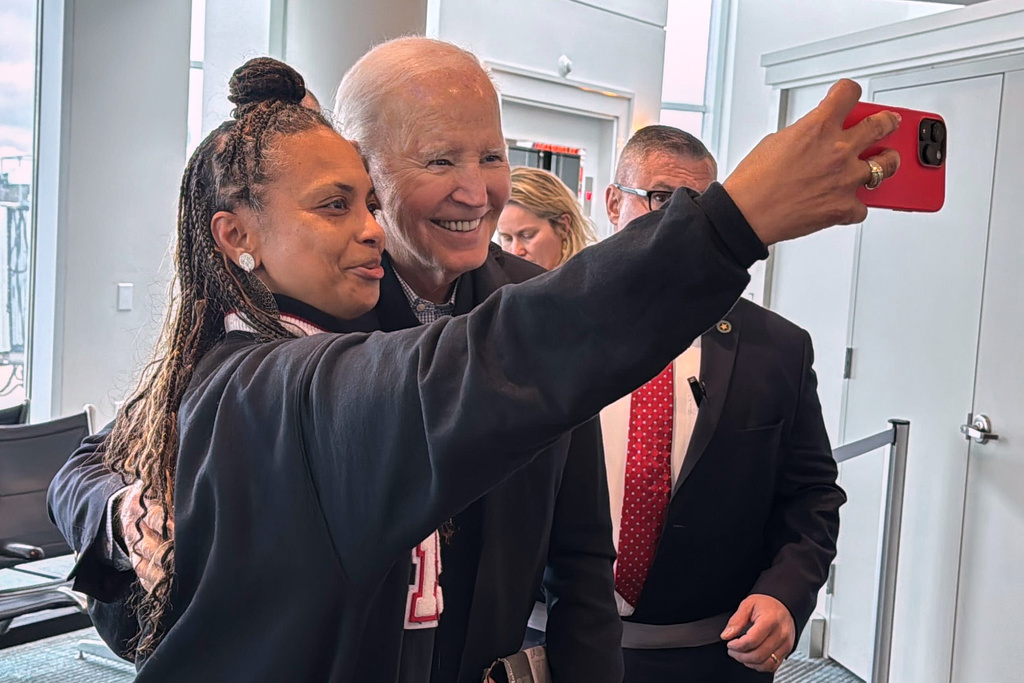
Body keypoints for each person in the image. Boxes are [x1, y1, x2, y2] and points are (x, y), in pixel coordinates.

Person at [46, 49, 902, 682]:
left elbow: (579, 553)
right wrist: (727, 222)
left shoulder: (524, 300)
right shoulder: (273, 367)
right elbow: (481, 367)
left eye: (490, 156)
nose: (474, 189)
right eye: (434, 161)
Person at [601, 126, 845, 682]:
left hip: (711, 653)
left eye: (701, 206)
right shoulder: (549, 327)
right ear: (614, 201)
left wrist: (784, 595)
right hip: (547, 645)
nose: (682, 222)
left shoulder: (777, 349)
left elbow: (811, 495)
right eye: (661, 198)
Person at [496, 166, 597, 269]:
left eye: (527, 235)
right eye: (507, 238)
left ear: (562, 226)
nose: (515, 251)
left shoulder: (592, 280)